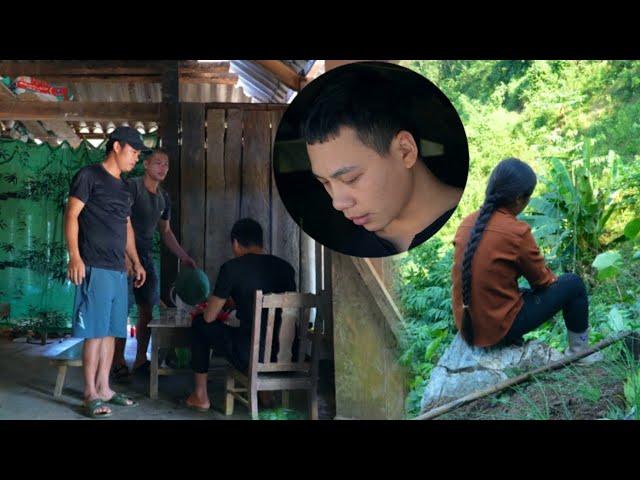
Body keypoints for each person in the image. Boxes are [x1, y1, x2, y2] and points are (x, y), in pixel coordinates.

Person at [301, 64, 464, 257]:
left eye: (350, 178)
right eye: (325, 182)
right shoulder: (349, 248)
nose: (338, 203)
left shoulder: (472, 226)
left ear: (405, 151)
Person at [451, 157, 602, 362]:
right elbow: (542, 281)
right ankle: (580, 352)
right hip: (497, 329)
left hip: (467, 324)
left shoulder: (466, 223)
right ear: (519, 199)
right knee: (573, 285)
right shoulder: (516, 231)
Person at [65, 126, 148, 418]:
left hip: (118, 270)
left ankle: (105, 388)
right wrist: (75, 257)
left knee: (114, 332)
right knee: (95, 332)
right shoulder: (89, 176)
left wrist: (135, 261)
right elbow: (71, 215)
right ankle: (90, 393)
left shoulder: (125, 188)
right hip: (94, 266)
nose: (136, 158)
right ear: (117, 146)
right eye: (134, 151)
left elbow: (126, 227)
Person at [184, 218, 296, 411]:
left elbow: (210, 317)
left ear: (235, 243)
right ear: (262, 243)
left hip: (250, 355)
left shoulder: (232, 268)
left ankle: (201, 396)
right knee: (255, 337)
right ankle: (265, 393)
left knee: (200, 325)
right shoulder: (286, 268)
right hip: (288, 354)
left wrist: (207, 309)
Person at [111, 148, 196, 379]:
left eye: (166, 164)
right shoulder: (131, 187)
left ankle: (140, 359)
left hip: (146, 257)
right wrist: (128, 258)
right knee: (121, 309)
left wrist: (183, 256)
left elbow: (165, 231)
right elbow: (119, 223)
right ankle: (117, 360)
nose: (162, 168)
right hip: (123, 255)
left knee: (147, 309)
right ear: (146, 165)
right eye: (158, 163)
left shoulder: (163, 197)